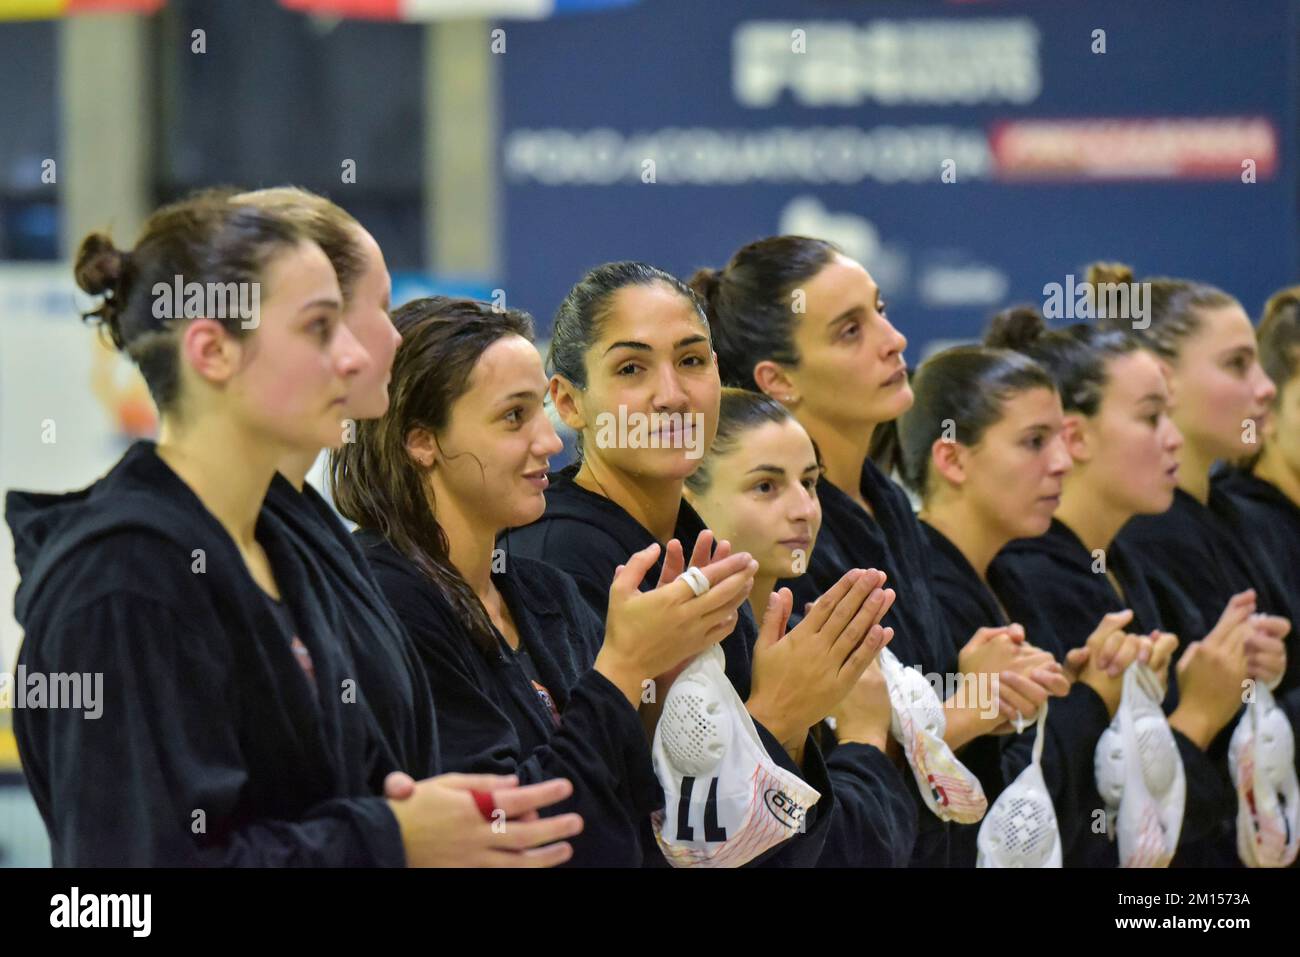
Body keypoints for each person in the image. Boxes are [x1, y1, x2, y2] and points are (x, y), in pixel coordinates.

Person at [6, 193, 580, 866]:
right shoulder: (124, 577)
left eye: (345, 321)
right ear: (214, 350)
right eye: (318, 327)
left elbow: (343, 796)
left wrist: (406, 818)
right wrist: (389, 837)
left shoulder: (290, 542)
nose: (353, 356)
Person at [330, 295, 771, 866]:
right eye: (515, 417)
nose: (551, 440)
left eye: (541, 409)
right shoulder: (381, 604)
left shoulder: (542, 590)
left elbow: (639, 812)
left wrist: (658, 685)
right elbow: (514, 829)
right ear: (422, 440)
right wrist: (623, 668)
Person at [501, 261, 895, 867]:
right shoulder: (553, 562)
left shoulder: (700, 546)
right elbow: (622, 836)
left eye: (691, 360)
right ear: (568, 401)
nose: (672, 394)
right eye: (632, 368)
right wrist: (780, 716)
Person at [691, 236, 1067, 866]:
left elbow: (909, 711)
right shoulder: (779, 535)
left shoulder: (884, 501)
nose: (893, 340)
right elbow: (829, 760)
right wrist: (967, 706)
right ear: (777, 380)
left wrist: (976, 681)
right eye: (849, 331)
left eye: (882, 311)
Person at [985, 307, 1267, 866]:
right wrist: (1199, 716)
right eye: (1151, 417)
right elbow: (1088, 820)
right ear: (1077, 435)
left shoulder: (1115, 561)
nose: (1173, 439)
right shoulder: (1033, 579)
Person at [897, 342, 1176, 865]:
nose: (1063, 463)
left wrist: (1084, 681)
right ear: (953, 458)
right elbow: (993, 805)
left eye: (1061, 440)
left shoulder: (1006, 578)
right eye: (1034, 442)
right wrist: (1092, 700)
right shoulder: (925, 594)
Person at [683, 387, 917, 866]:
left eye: (810, 483)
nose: (803, 509)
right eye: (766, 486)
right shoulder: (684, 658)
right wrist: (866, 737)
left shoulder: (799, 628)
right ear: (687, 495)